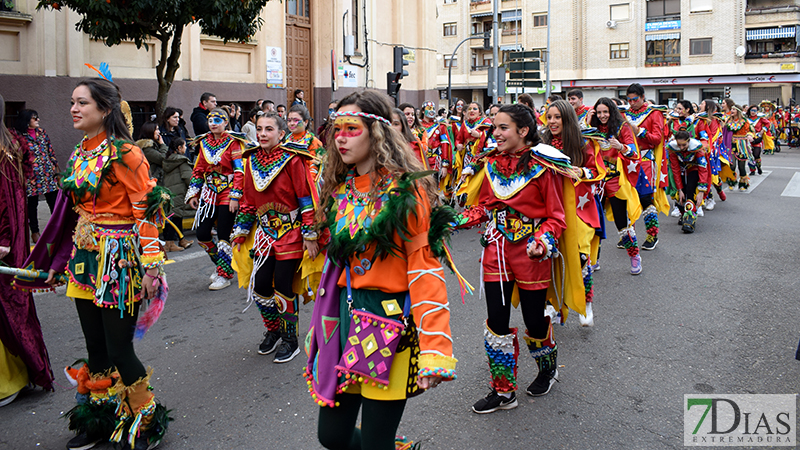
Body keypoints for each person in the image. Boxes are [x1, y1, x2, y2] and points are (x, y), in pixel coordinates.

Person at [305, 90, 457, 449]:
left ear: (376, 132)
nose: (339, 136)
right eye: (336, 128)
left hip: (385, 326)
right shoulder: (339, 188)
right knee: (332, 436)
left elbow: (424, 268)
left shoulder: (406, 191)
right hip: (341, 321)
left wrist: (435, 345)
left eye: (351, 128)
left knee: (375, 442)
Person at [40, 78, 171, 450]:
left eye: (82, 102)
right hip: (84, 259)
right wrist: (56, 259)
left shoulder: (126, 153)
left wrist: (152, 268)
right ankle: (100, 419)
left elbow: (146, 210)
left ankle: (146, 420)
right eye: (72, 102)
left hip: (119, 262)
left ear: (106, 109)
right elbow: (68, 214)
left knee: (119, 350)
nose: (74, 109)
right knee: (95, 347)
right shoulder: (81, 150)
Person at [456, 103, 576, 413]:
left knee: (534, 321)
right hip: (496, 249)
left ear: (523, 131)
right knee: (496, 321)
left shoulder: (544, 166)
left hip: (531, 253)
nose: (494, 133)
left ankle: (548, 369)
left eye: (502, 128)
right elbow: (484, 206)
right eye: (493, 128)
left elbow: (556, 217)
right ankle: (503, 390)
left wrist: (542, 241)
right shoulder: (492, 164)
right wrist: (456, 219)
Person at [231, 112, 319, 363]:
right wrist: (241, 230)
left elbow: (305, 198)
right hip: (264, 234)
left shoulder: (293, 159)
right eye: (259, 129)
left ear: (281, 134)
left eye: (269, 129)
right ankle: (274, 331)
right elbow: (248, 201)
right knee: (260, 286)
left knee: (282, 285)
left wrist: (309, 234)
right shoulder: (250, 160)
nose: (262, 134)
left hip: (290, 232)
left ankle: (291, 340)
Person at [0, 96, 54, 408]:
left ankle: (13, 378)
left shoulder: (8, 148)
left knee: (10, 307)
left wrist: (6, 239)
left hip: (5, 244)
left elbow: (10, 199)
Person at [542, 100, 605, 326]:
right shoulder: (542, 142)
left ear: (566, 118)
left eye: (557, 117)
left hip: (579, 208)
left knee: (579, 258)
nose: (552, 122)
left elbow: (598, 171)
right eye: (549, 117)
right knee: (548, 257)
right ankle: (551, 304)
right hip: (549, 209)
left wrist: (580, 171)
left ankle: (585, 302)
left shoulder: (583, 142)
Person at [186, 108, 256, 290]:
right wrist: (193, 193)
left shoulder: (234, 142)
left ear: (226, 122)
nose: (213, 123)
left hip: (228, 191)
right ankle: (223, 265)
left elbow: (240, 171)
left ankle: (224, 275)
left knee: (224, 235)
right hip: (209, 192)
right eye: (210, 120)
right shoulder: (203, 142)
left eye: (218, 119)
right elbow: (198, 169)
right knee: (202, 234)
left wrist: (235, 196)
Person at [587, 98, 642, 279]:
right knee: (593, 222)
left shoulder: (622, 127)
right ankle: (593, 259)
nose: (602, 116)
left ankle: (635, 256)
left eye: (606, 112)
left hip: (615, 181)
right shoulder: (591, 128)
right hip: (596, 181)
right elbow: (579, 145)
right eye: (599, 112)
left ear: (611, 112)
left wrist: (621, 147)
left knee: (621, 223)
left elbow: (634, 154)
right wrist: (586, 123)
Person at [623, 83, 667, 251]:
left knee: (645, 198)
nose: (632, 103)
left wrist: (638, 131)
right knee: (627, 197)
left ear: (642, 97)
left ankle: (652, 234)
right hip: (628, 160)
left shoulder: (654, 114)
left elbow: (657, 138)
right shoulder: (625, 113)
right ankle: (629, 235)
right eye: (629, 100)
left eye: (635, 99)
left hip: (646, 161)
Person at [13, 109, 60, 243]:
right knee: (32, 206)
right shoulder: (18, 136)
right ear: (27, 121)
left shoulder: (42, 133)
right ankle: (35, 232)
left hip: (47, 175)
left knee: (54, 203)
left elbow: (49, 149)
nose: (38, 120)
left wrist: (54, 166)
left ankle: (56, 229)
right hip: (31, 177)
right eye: (35, 118)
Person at [667, 131, 708, 234]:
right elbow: (675, 169)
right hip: (681, 170)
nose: (681, 148)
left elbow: (703, 168)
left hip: (694, 169)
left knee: (690, 190)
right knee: (681, 194)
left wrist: (701, 190)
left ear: (689, 141)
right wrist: (679, 189)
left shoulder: (698, 149)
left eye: (684, 145)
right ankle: (683, 213)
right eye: (679, 145)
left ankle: (690, 219)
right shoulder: (673, 150)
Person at [162, 137, 194, 252]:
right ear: (179, 148)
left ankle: (182, 240)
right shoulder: (182, 160)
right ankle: (169, 243)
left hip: (170, 191)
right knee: (174, 218)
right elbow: (188, 177)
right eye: (184, 146)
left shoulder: (168, 160)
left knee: (175, 216)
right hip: (179, 192)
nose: (186, 148)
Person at [694, 100, 726, 211]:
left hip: (709, 151)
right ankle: (707, 197)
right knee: (702, 175)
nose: (700, 105)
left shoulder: (713, 120)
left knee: (712, 176)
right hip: (697, 150)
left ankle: (712, 197)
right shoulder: (697, 118)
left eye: (702, 104)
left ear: (708, 106)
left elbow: (714, 136)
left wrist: (707, 149)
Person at [721, 106, 755, 191]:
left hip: (742, 146)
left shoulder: (744, 121)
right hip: (731, 145)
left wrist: (750, 135)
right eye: (731, 109)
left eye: (734, 109)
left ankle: (743, 183)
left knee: (741, 166)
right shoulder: (728, 121)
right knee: (732, 165)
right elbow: (724, 131)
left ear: (738, 111)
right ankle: (732, 181)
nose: (732, 111)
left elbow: (751, 130)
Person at [746, 104, 772, 175]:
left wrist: (763, 130)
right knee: (750, 155)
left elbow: (768, 123)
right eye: (752, 110)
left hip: (757, 138)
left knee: (756, 154)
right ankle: (752, 170)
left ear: (757, 111)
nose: (753, 112)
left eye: (754, 110)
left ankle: (758, 167)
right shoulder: (746, 118)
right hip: (748, 138)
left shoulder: (760, 118)